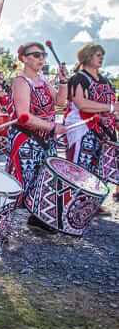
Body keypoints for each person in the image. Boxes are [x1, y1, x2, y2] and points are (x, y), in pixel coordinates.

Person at [6, 42, 68, 232]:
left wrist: (64, 81)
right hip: (26, 138)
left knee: (45, 177)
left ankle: (38, 215)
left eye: (43, 55)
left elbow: (60, 102)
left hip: (45, 138)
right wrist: (52, 126)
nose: (41, 58)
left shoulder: (42, 79)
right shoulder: (21, 82)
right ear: (24, 58)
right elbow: (23, 116)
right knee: (20, 180)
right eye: (36, 55)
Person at [65, 43, 118, 206]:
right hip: (83, 127)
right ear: (87, 56)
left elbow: (113, 104)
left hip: (104, 131)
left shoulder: (106, 81)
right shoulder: (78, 78)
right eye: (97, 54)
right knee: (80, 166)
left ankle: (90, 204)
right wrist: (108, 108)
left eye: (102, 54)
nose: (101, 57)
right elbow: (81, 103)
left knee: (99, 169)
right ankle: (73, 203)